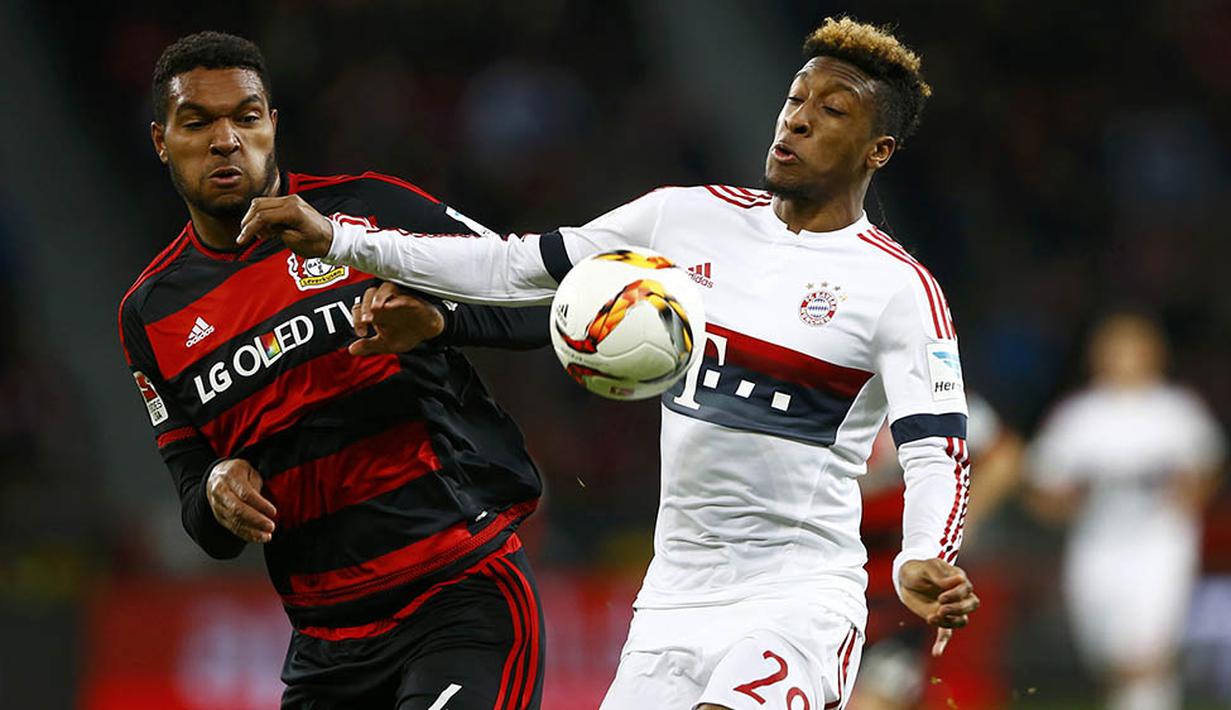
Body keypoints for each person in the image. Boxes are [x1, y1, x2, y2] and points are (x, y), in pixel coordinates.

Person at [238, 17, 982, 710]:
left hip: (798, 600)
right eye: (795, 98)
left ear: (876, 150)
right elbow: (509, 267)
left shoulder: (896, 289)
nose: (796, 118)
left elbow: (937, 449)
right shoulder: (681, 219)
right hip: (671, 600)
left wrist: (922, 554)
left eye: (832, 111)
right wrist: (337, 239)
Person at [117, 32, 551, 709]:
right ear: (161, 141)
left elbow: (541, 300)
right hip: (326, 649)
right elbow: (200, 515)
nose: (226, 139)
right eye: (197, 121)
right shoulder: (149, 315)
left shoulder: (371, 214)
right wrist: (215, 490)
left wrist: (439, 321)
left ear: (273, 127)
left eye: (247, 116)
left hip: (458, 596)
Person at [1027, 314, 1225, 710]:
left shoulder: (1175, 411)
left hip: (1159, 544)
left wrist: (1188, 495)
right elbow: (1041, 489)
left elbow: (1207, 471)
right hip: (1096, 544)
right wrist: (1066, 504)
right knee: (1106, 655)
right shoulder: (1079, 416)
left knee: (1146, 653)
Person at [851, 393, 1022, 710]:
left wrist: (958, 524)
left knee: (875, 697)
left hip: (899, 583)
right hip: (828, 571)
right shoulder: (821, 386)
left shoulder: (925, 396)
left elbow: (1005, 454)